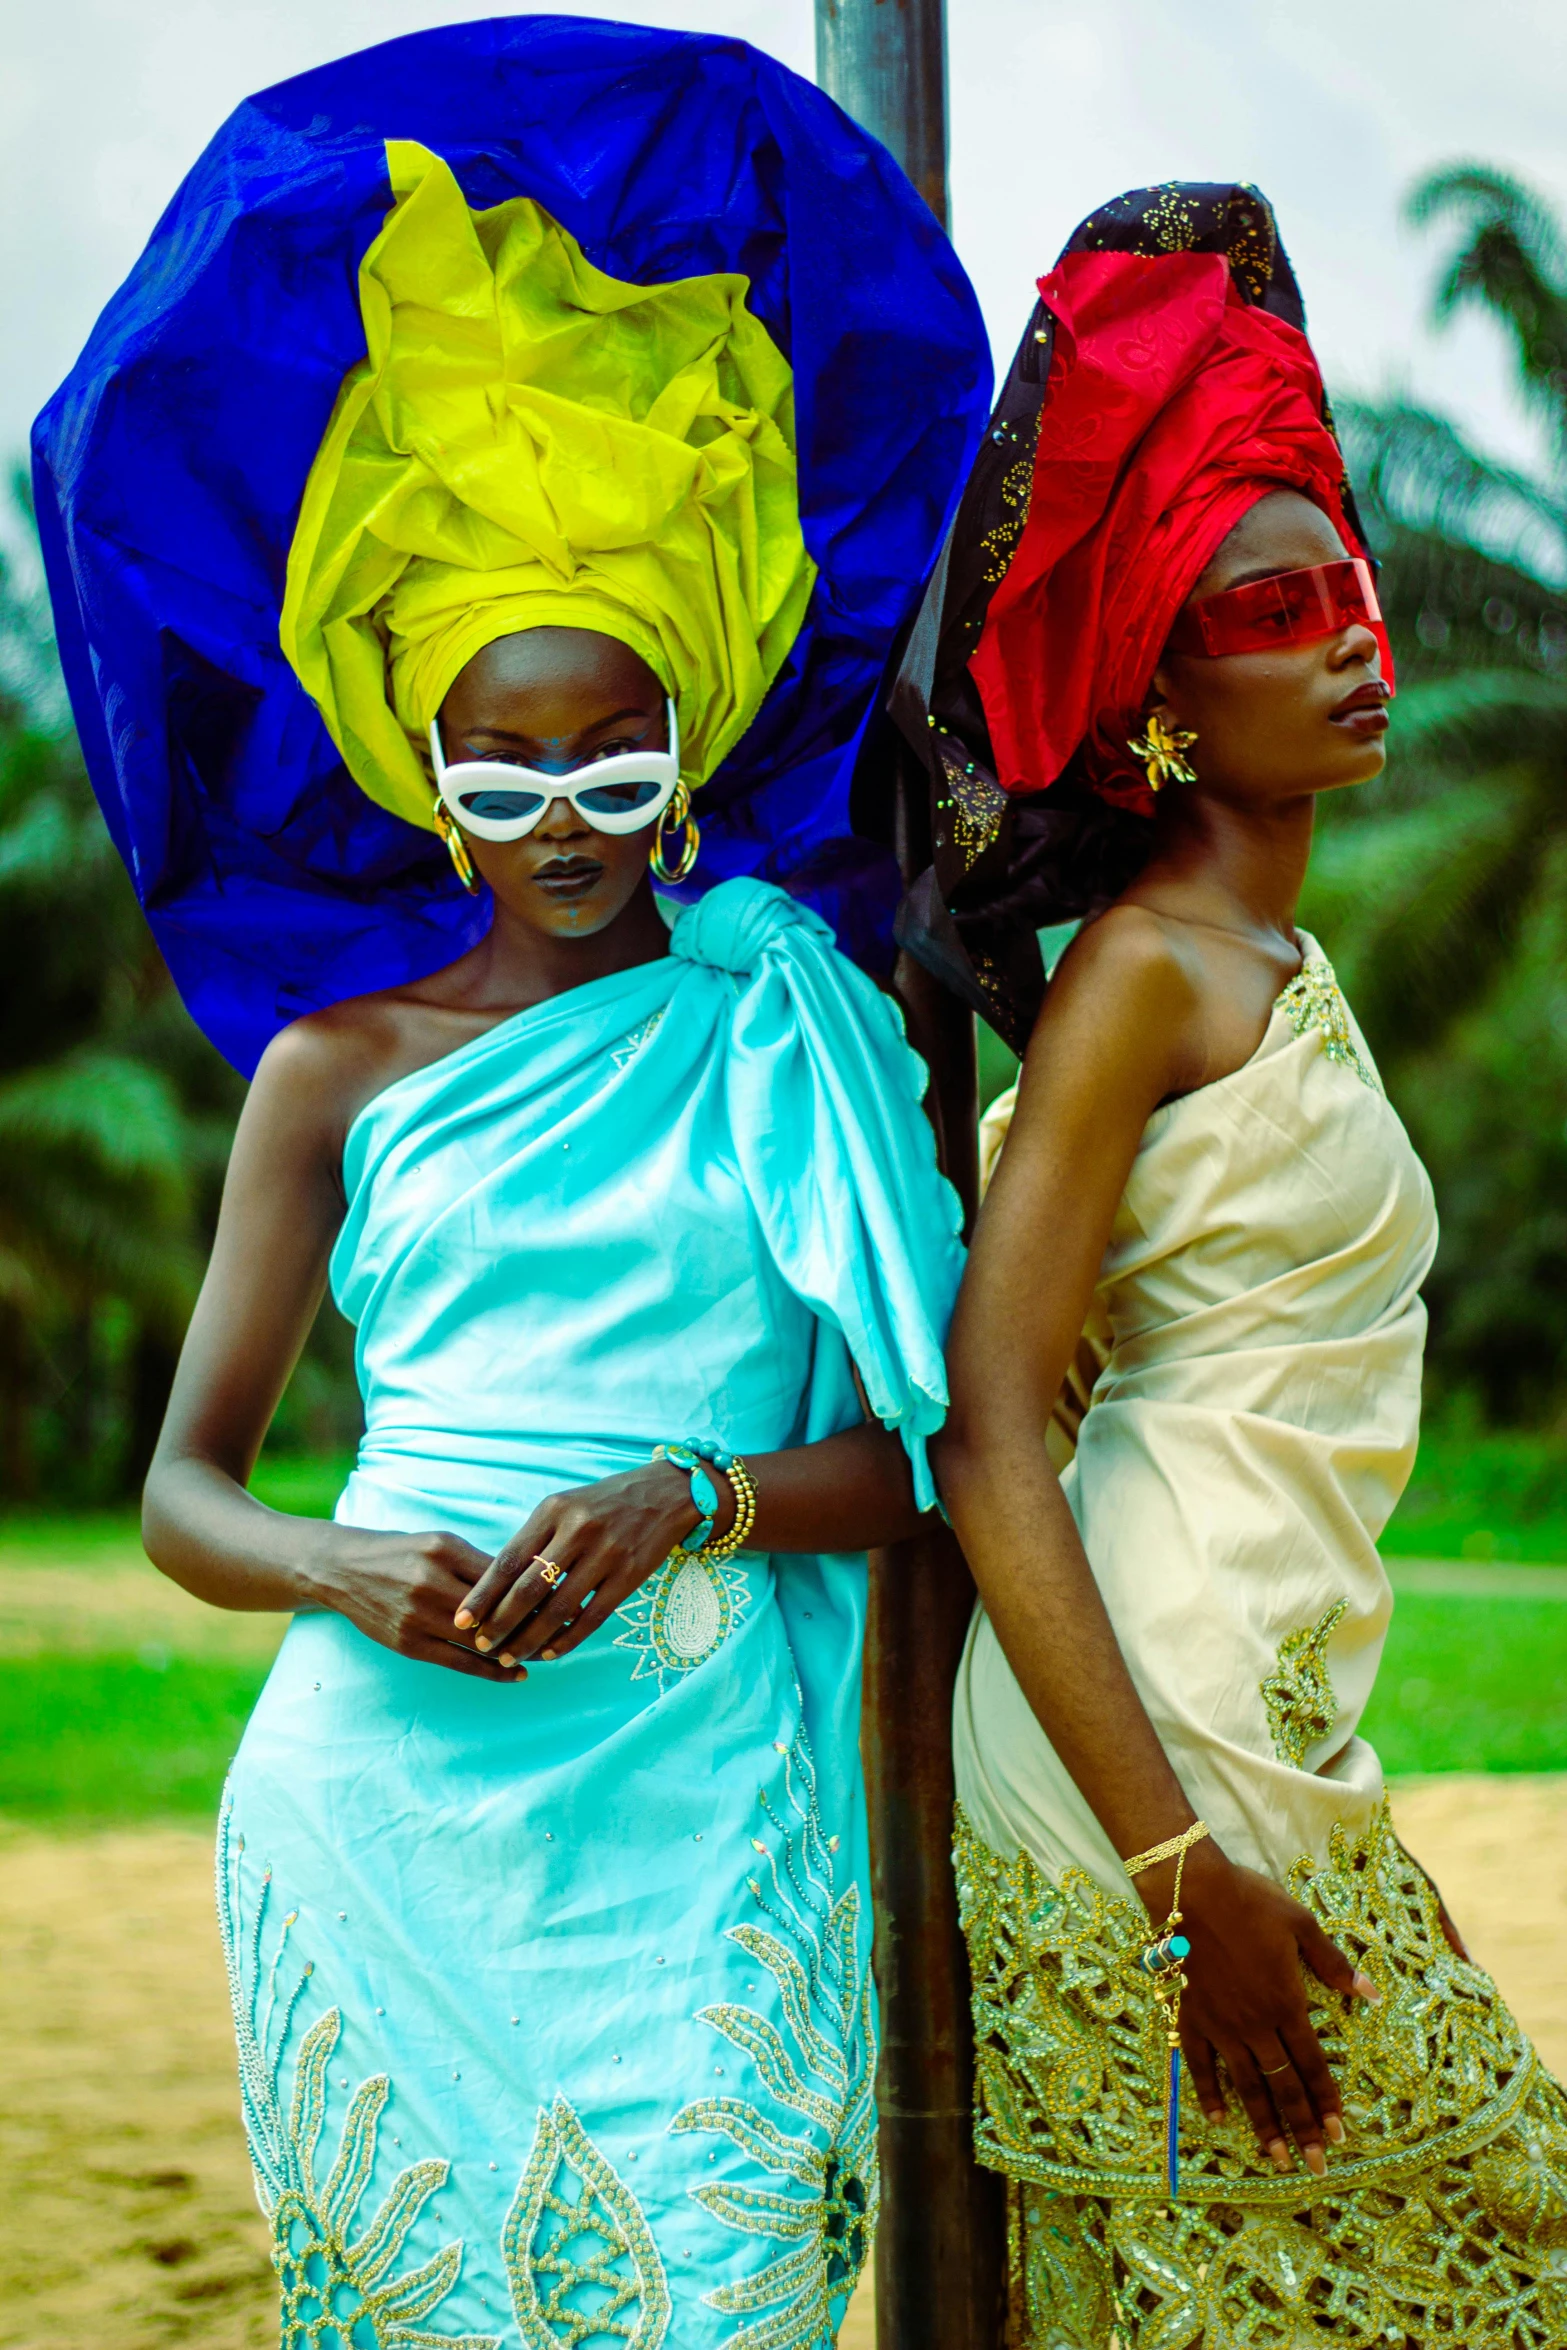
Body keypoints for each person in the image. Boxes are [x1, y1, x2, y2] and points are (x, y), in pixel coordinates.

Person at [34, 25, 992, 2345]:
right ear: (421, 768)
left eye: (612, 750)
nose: (562, 811)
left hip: (703, 1826)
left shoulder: (791, 1024)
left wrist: (695, 1496)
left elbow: (930, 1453)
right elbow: (182, 1491)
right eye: (505, 760)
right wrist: (339, 1561)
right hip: (384, 1817)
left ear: (687, 758)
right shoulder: (329, 1075)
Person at [894, 187, 1567, 2347]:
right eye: (1275, 608)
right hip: (1141, 1764)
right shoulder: (1136, 978)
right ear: (1165, 686)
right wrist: (1179, 1875)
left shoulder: (1268, 959)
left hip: (1255, 1720)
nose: (1349, 635)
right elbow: (992, 1422)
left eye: (1347, 588)